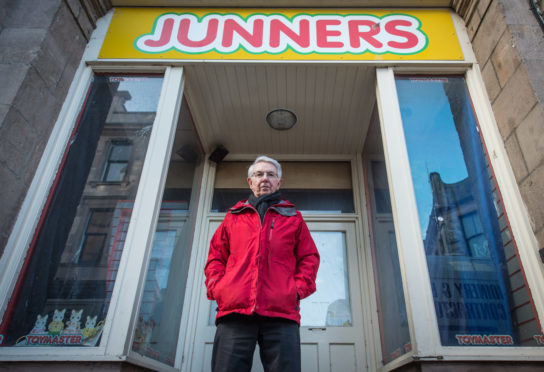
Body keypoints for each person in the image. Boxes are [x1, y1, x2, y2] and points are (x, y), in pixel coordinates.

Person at [205, 156, 320, 372]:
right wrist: (219, 288)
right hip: (234, 312)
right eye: (259, 174)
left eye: (270, 174)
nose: (264, 179)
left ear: (279, 182)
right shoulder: (233, 217)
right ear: (250, 182)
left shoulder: (294, 218)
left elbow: (309, 258)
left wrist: (295, 291)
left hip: (281, 313)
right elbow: (215, 257)